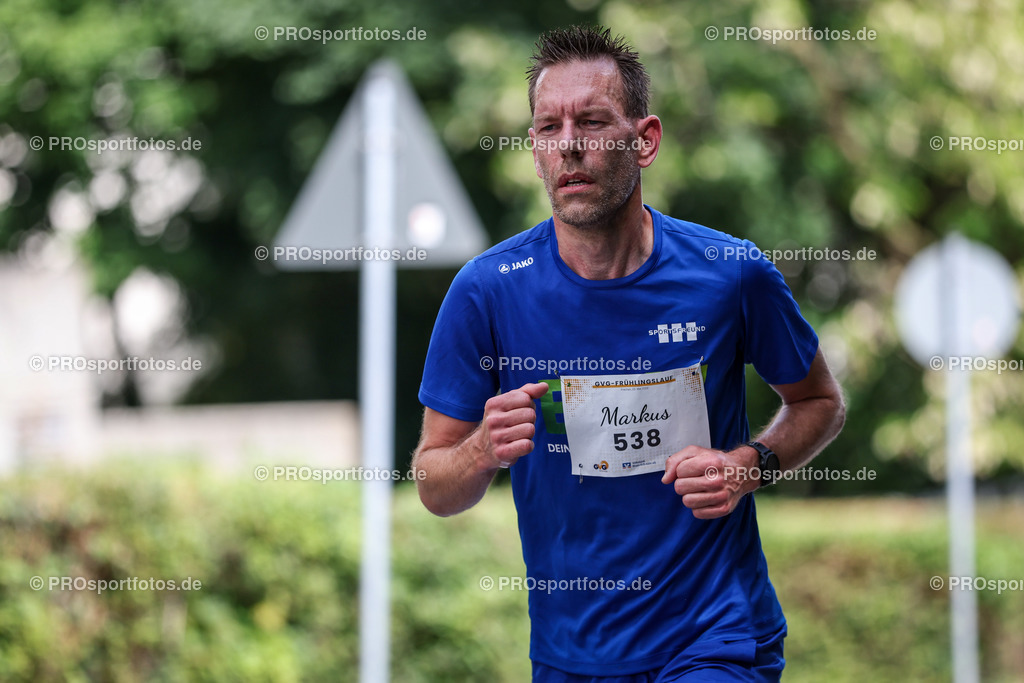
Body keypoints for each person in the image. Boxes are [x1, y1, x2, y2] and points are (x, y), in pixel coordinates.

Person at [412, 25, 845, 683]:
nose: (571, 147)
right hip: (571, 653)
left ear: (644, 140)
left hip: (715, 636)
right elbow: (434, 482)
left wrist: (747, 464)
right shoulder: (488, 291)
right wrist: (481, 451)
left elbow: (819, 401)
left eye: (591, 122)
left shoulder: (730, 273)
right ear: (533, 149)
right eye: (549, 128)